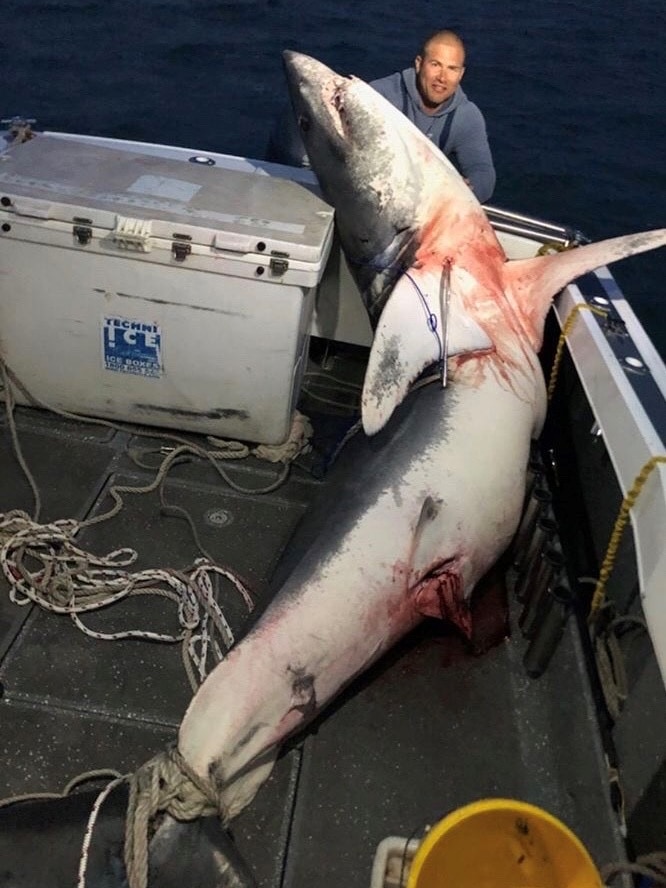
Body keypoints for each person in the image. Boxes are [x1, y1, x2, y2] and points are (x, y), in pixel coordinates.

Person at [267, 29, 496, 203]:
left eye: (452, 68)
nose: (442, 77)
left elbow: (483, 173)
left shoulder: (466, 116)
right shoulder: (381, 95)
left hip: (418, 204)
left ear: (461, 73)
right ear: (419, 64)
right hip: (365, 195)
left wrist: (465, 189)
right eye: (435, 65)